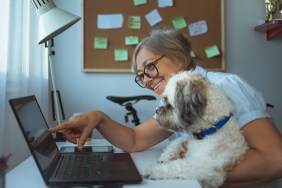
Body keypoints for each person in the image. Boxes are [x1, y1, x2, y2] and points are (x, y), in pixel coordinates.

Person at [49, 27, 282, 187]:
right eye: (141, 76)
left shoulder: (222, 85)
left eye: (149, 67)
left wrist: (188, 175)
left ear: (178, 58)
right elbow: (135, 139)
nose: (147, 80)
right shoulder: (174, 101)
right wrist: (98, 117)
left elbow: (275, 159)